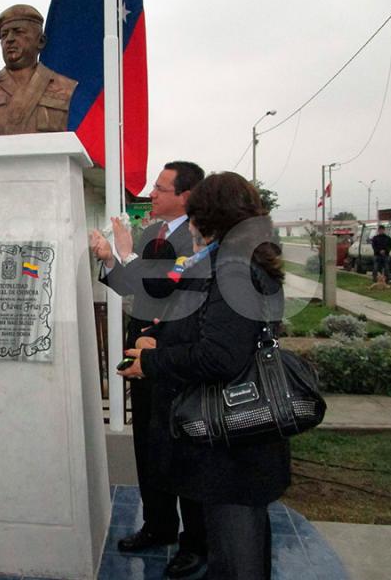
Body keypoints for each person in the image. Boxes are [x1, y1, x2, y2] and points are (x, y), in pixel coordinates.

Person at [119, 172, 290, 580]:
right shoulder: (239, 257)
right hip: (236, 440)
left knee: (236, 558)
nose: (191, 224)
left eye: (195, 214)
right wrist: (161, 337)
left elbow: (221, 356)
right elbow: (207, 326)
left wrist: (155, 362)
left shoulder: (233, 267)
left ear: (208, 216)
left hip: (233, 445)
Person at [90, 161, 208, 579]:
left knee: (184, 449)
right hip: (142, 353)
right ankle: (159, 525)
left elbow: (164, 286)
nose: (151, 193)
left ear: (187, 196)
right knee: (149, 443)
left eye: (160, 188)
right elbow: (132, 287)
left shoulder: (197, 238)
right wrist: (110, 260)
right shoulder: (152, 232)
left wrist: (126, 252)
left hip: (177, 354)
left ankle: (196, 541)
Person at [0, 4, 77, 136]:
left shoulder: (64, 87)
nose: (9, 39)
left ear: (41, 41)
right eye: (4, 34)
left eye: (18, 31)